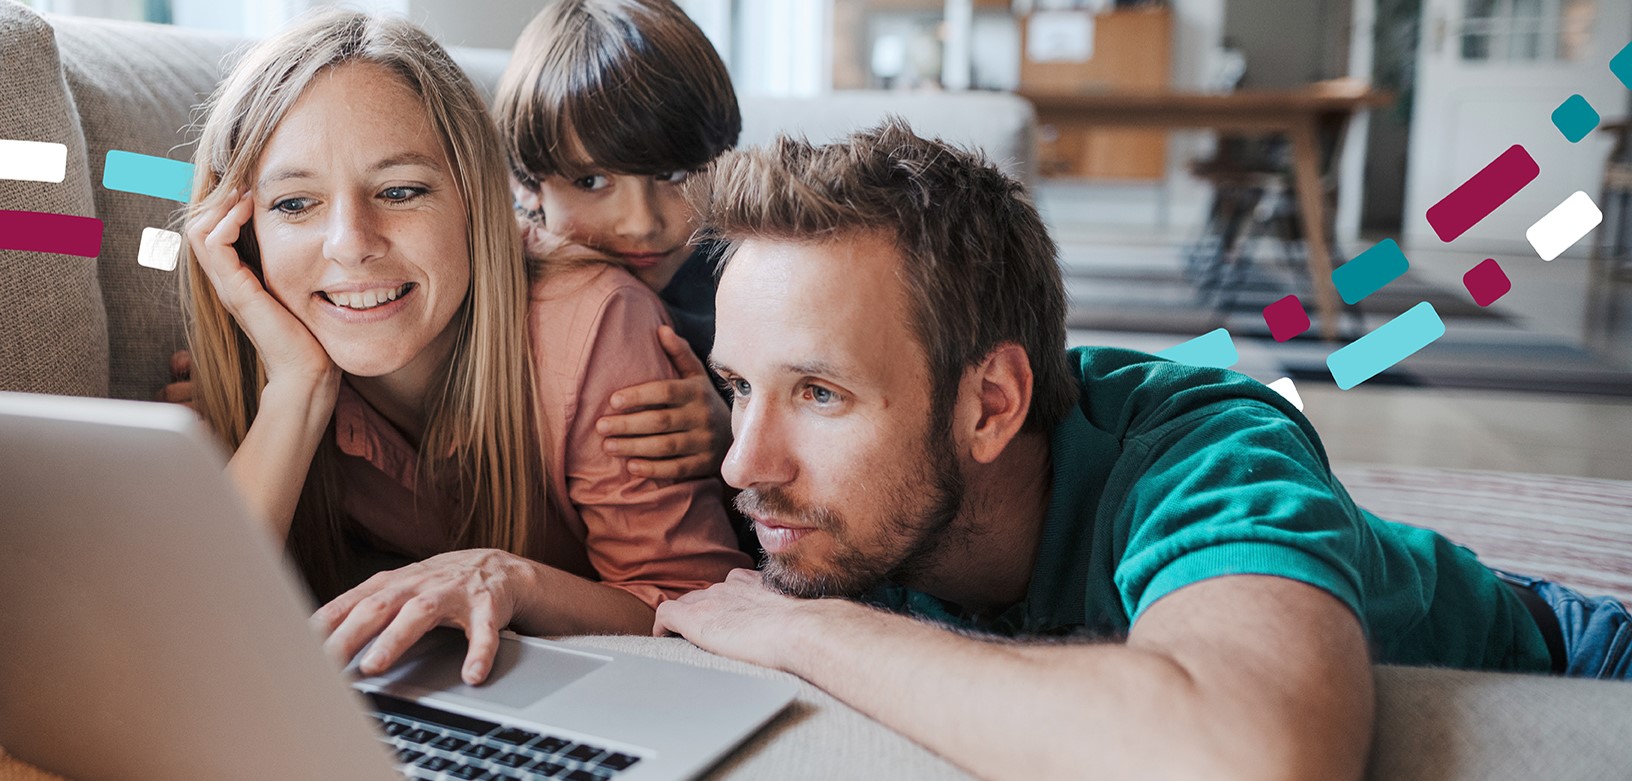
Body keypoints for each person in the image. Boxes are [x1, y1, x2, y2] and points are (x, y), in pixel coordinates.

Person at [653, 120, 1632, 780]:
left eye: (818, 393)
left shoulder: (1201, 444)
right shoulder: (842, 496)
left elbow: (1250, 751)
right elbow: (700, 603)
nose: (744, 464)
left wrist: (804, 632)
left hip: (1568, 665)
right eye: (739, 387)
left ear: (990, 407)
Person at [179, 9, 748, 687]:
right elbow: (183, 640)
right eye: (294, 204)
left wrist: (729, 426)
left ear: (481, 200)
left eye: (400, 191)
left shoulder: (607, 320)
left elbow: (699, 611)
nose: (351, 243)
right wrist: (296, 391)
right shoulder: (267, 340)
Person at [166, 0, 744, 487]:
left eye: (676, 175)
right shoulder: (458, 279)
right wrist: (246, 389)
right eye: (592, 182)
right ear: (524, 186)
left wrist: (733, 427)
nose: (640, 223)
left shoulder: (740, 273)